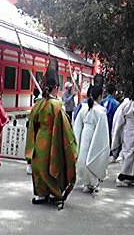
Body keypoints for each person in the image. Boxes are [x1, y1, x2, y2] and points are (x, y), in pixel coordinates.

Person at [25, 59, 78, 207]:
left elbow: (31, 125)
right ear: (56, 87)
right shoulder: (56, 106)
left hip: (39, 139)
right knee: (54, 165)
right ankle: (55, 193)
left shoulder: (38, 104)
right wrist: (72, 146)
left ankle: (41, 194)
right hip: (53, 140)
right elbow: (66, 130)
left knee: (39, 166)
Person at [73, 85, 110, 193]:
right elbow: (102, 130)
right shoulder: (101, 111)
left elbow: (77, 126)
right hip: (95, 135)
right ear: (100, 96)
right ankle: (92, 183)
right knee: (94, 157)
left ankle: (85, 182)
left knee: (83, 157)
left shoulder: (84, 108)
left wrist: (76, 139)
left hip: (84, 134)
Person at [100, 83, 120, 163]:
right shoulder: (116, 103)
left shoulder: (103, 101)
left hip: (104, 123)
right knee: (112, 139)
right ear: (114, 92)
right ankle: (111, 155)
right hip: (112, 124)